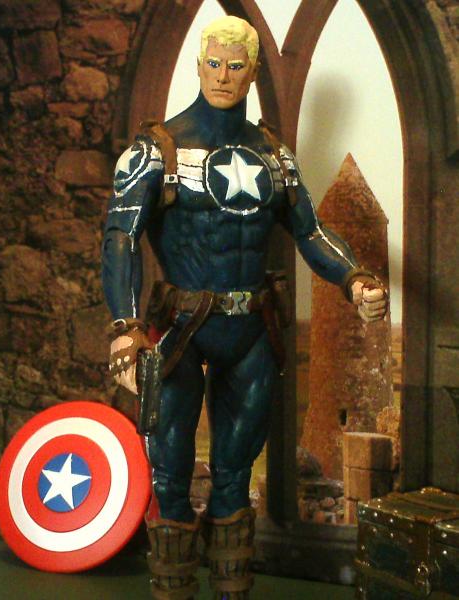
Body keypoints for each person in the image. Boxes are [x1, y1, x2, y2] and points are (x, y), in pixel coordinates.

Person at [102, 15, 388, 600]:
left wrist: (353, 278)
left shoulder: (273, 155)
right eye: (213, 63)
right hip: (178, 332)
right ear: (198, 65)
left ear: (253, 72)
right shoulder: (155, 150)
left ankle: (232, 590)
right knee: (171, 477)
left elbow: (310, 232)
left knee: (234, 477)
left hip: (251, 330)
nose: (222, 76)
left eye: (235, 66)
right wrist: (125, 328)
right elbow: (120, 238)